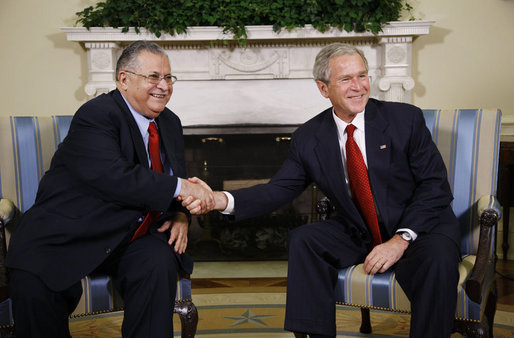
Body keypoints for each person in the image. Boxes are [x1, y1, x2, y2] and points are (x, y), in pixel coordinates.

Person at [183, 43, 461, 337]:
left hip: (421, 228)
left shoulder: (405, 119)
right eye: (346, 79)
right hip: (360, 229)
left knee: (438, 260)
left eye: (362, 76)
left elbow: (435, 187)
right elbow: (278, 190)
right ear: (323, 88)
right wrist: (216, 199)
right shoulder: (309, 137)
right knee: (305, 239)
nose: (358, 87)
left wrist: (400, 239)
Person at [5, 40, 213, 338]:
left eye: (168, 77)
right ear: (124, 79)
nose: (164, 86)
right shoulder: (97, 115)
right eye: (153, 77)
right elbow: (114, 176)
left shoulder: (170, 122)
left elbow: (170, 175)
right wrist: (186, 189)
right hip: (72, 229)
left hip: (132, 234)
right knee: (33, 283)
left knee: (157, 262)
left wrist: (180, 213)